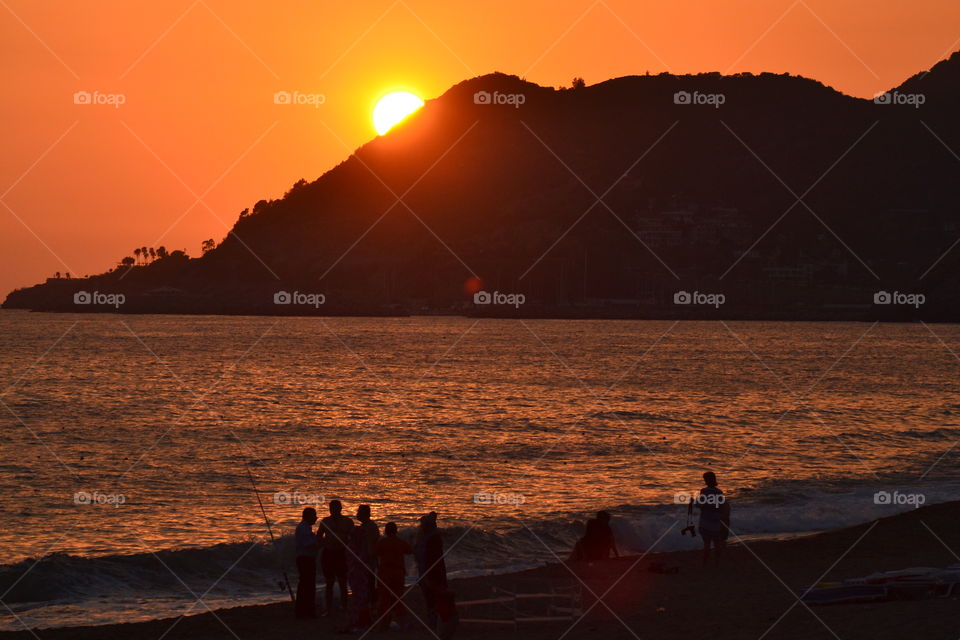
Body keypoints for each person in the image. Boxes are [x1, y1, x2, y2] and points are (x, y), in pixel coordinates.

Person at [318, 499, 354, 614]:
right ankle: (328, 608)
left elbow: (353, 537)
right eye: (331, 508)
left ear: (340, 508)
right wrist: (325, 543)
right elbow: (319, 536)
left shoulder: (348, 521)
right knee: (329, 582)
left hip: (342, 553)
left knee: (343, 581)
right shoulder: (325, 521)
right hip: (329, 553)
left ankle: (344, 606)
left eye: (335, 508)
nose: (333, 510)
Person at [375, 522, 413, 630]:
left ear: (386, 531)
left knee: (384, 599)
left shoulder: (382, 542)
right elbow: (410, 550)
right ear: (396, 531)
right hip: (398, 573)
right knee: (399, 598)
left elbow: (375, 553)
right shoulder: (400, 542)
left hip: (385, 573)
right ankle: (402, 623)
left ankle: (383, 624)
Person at [414, 511, 448, 628]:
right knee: (431, 597)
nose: (420, 527)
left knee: (433, 597)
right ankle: (435, 620)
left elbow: (431, 559)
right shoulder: (428, 538)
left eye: (423, 525)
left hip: (432, 573)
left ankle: (436, 621)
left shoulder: (432, 539)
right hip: (429, 572)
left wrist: (428, 576)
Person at [690, 471, 726, 567]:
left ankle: (705, 563)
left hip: (705, 520)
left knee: (707, 544)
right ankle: (717, 563)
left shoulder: (704, 491)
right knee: (717, 543)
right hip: (716, 520)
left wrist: (694, 501)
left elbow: (700, 504)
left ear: (706, 480)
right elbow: (722, 506)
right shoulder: (719, 492)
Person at [294, 507, 318, 618]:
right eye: (314, 515)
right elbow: (308, 545)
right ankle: (306, 611)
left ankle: (303, 609)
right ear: (308, 516)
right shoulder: (303, 528)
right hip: (305, 559)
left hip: (304, 558)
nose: (316, 518)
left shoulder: (305, 527)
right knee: (307, 585)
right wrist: (320, 543)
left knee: (305, 584)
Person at [356, 504, 380, 611]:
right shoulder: (366, 526)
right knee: (367, 582)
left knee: (369, 582)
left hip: (368, 559)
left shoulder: (370, 526)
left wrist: (369, 559)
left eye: (359, 512)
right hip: (364, 559)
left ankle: (372, 604)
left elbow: (371, 544)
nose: (357, 514)